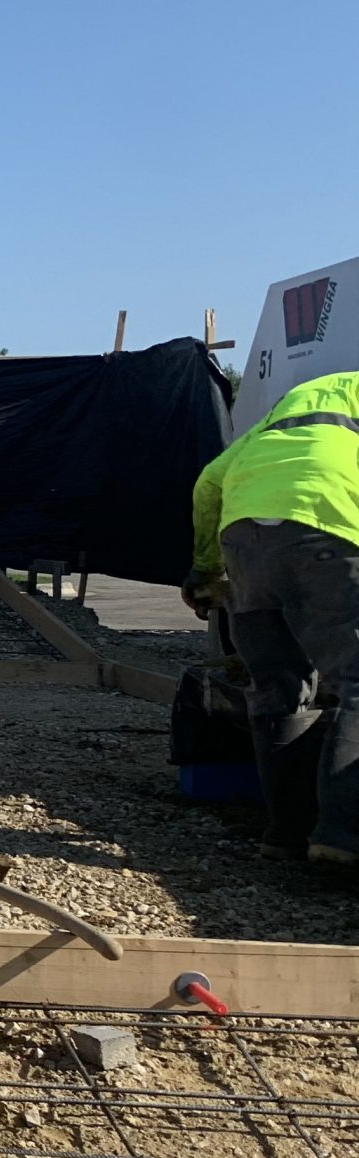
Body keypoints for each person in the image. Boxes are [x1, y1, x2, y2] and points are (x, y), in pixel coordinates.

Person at [188, 369, 359, 863]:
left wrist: (204, 570)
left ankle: (286, 833)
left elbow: (207, 485)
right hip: (325, 533)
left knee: (278, 690)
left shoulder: (272, 429)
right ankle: (341, 836)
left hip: (245, 544)